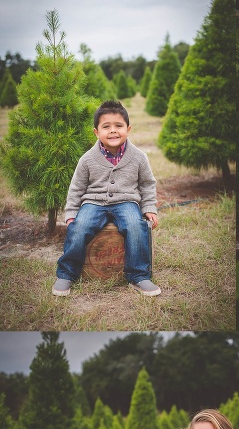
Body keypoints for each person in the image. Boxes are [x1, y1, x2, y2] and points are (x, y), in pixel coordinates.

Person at [53, 101, 160, 297]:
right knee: (80, 226)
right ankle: (67, 273)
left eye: (118, 126)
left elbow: (147, 184)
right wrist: (71, 214)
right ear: (96, 132)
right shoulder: (87, 159)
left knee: (136, 226)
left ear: (128, 129)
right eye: (106, 126)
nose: (113, 131)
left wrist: (149, 207)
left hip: (126, 201)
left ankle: (139, 275)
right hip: (93, 202)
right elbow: (76, 188)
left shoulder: (139, 157)